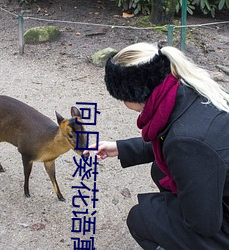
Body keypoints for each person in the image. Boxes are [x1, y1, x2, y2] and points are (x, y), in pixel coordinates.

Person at [84, 42, 229, 250]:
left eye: (122, 98)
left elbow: (204, 224)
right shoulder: (188, 88)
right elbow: (171, 139)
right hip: (220, 186)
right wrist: (120, 148)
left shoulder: (186, 142)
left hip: (220, 223)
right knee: (160, 170)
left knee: (141, 218)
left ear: (134, 94)